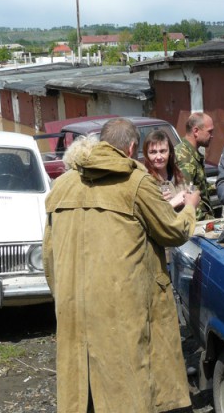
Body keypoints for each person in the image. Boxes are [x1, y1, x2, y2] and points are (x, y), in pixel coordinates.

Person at [42, 117, 200, 413]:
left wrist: (64, 296)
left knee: (83, 387)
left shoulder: (61, 186)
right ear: (131, 148)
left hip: (73, 307)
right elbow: (173, 232)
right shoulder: (136, 183)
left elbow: (49, 257)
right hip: (122, 308)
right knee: (130, 382)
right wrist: (190, 207)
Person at [175, 112, 215, 220]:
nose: (212, 136)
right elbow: (186, 195)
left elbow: (197, 187)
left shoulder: (191, 154)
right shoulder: (185, 158)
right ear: (196, 131)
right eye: (209, 132)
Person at [143, 129, 187, 209]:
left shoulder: (177, 174)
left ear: (170, 152)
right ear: (147, 154)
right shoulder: (145, 180)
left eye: (163, 151)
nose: (159, 157)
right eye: (153, 152)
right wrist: (171, 204)